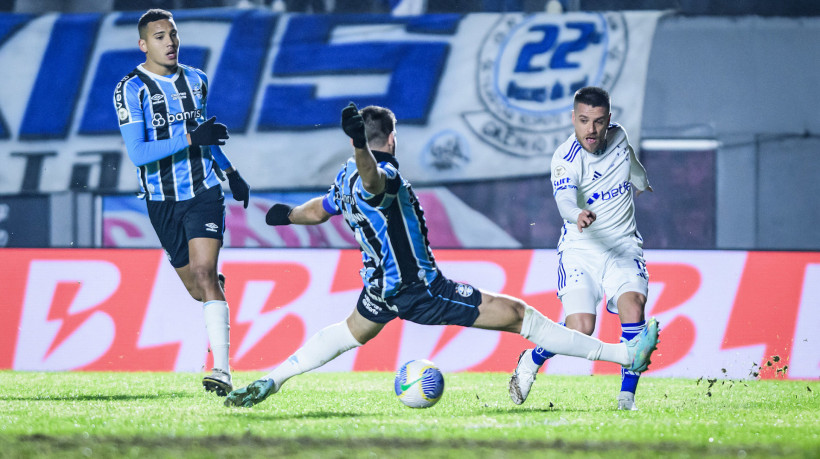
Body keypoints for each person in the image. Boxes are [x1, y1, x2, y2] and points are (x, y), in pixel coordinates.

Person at [223, 102, 659, 408]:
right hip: (421, 288)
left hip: (379, 287)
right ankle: (624, 356)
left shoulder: (342, 181)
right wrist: (360, 147)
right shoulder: (383, 172)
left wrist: (285, 215)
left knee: (345, 333)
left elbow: (319, 209)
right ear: (392, 139)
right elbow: (375, 184)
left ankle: (272, 378)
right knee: (521, 317)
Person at [114, 8, 250, 396]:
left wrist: (231, 172)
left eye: (172, 34)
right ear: (143, 44)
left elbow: (204, 137)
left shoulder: (197, 80)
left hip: (204, 191)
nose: (169, 42)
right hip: (161, 199)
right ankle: (214, 295)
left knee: (205, 274)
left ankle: (221, 370)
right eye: (159, 36)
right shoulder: (130, 89)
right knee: (198, 287)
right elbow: (138, 153)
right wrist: (192, 139)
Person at [508, 86, 654, 411]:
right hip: (581, 251)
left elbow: (629, 161)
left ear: (609, 121)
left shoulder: (619, 137)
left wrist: (642, 182)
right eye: (584, 120)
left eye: (598, 122)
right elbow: (563, 199)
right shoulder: (564, 159)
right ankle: (532, 359)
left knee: (634, 307)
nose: (591, 130)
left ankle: (626, 399)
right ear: (573, 118)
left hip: (623, 248)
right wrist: (577, 214)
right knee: (581, 327)